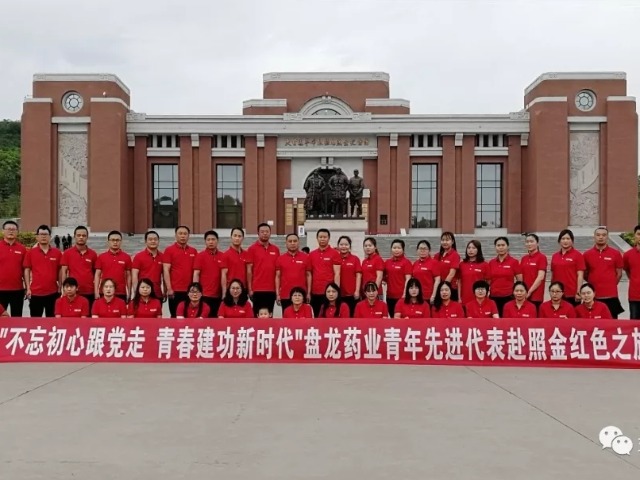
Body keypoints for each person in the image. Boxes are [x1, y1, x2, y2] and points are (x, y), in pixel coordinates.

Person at [583, 226, 624, 318]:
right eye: (598, 235)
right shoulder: (587, 254)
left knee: (612, 321)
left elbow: (619, 274)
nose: (601, 237)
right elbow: (585, 274)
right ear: (594, 237)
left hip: (611, 295)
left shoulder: (615, 253)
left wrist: (611, 283)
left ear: (607, 237)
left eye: (603, 235)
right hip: (594, 295)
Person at [24, 224, 62, 317]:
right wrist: (28, 288)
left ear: (50, 236)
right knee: (35, 321)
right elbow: (27, 270)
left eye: (46, 234)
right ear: (37, 237)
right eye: (41, 234)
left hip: (53, 292)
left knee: (52, 321)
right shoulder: (30, 253)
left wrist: (60, 286)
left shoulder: (57, 253)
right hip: (36, 293)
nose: (43, 236)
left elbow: (60, 270)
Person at [246, 223, 281, 316]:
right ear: (258, 233)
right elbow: (249, 271)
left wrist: (278, 291)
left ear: (270, 233)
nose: (265, 233)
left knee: (269, 315)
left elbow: (278, 272)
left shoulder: (275, 249)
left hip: (271, 289)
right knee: (257, 315)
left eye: (267, 231)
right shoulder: (252, 249)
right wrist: (250, 289)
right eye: (262, 232)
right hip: (257, 289)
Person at [60, 225, 98, 311]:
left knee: (88, 316)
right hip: (73, 292)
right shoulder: (67, 253)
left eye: (84, 235)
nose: (81, 237)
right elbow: (64, 272)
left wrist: (96, 291)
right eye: (79, 235)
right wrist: (64, 290)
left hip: (89, 291)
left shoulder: (93, 254)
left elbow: (95, 273)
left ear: (87, 237)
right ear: (74, 236)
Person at [163, 225, 198, 318]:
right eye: (180, 233)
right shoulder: (169, 250)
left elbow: (196, 272)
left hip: (189, 291)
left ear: (188, 236)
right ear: (176, 235)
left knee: (189, 315)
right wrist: (169, 288)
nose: (183, 236)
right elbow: (166, 270)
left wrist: (195, 289)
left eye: (185, 234)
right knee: (175, 315)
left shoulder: (193, 251)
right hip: (175, 290)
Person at [307, 228, 341, 316]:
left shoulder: (334, 253)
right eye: (320, 237)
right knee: (317, 316)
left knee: (329, 316)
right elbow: (309, 274)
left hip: (329, 292)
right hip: (315, 292)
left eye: (325, 237)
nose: (322, 239)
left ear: (329, 238)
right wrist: (308, 292)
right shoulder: (312, 254)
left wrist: (336, 291)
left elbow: (337, 273)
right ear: (317, 238)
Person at [193, 230, 224, 317]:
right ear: (205, 241)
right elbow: (196, 274)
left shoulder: (223, 256)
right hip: (204, 295)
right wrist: (196, 291)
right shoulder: (200, 256)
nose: (211, 242)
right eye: (208, 240)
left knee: (217, 319)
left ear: (217, 241)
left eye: (213, 239)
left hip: (218, 295)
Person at [487, 236, 522, 316]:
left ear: (507, 246)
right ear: (495, 247)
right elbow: (488, 280)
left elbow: (520, 280)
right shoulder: (491, 263)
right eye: (498, 245)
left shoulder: (514, 262)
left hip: (509, 296)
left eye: (503, 245)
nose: (501, 247)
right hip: (494, 297)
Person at [275, 233, 310, 312]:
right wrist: (277, 294)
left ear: (298, 242)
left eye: (295, 241)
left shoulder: (306, 257)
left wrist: (308, 293)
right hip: (285, 295)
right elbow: (277, 277)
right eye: (290, 241)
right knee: (287, 317)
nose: (292, 243)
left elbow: (308, 275)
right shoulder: (280, 259)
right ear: (286, 243)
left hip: (301, 295)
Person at [94, 230, 132, 303]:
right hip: (104, 291)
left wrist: (129, 292)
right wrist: (96, 291)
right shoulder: (102, 257)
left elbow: (128, 276)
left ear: (121, 241)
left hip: (121, 292)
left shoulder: (126, 257)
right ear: (108, 241)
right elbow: (97, 275)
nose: (115, 242)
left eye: (117, 240)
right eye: (113, 240)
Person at [550, 229, 585, 306]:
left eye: (568, 239)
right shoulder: (555, 256)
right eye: (563, 239)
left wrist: (578, 292)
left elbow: (580, 275)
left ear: (572, 241)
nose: (565, 241)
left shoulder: (578, 255)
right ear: (559, 241)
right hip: (558, 293)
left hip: (572, 293)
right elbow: (553, 274)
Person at [0, 220, 27, 317]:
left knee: (17, 318)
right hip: (1, 289)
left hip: (17, 290)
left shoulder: (22, 249)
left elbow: (25, 270)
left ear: (17, 232)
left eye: (13, 229)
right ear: (3, 231)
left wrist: (27, 287)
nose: (11, 231)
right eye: (8, 229)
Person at [132, 230, 164, 303]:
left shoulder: (162, 256)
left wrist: (165, 290)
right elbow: (134, 275)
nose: (153, 241)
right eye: (150, 239)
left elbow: (165, 275)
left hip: (157, 292)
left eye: (155, 239)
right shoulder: (139, 257)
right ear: (145, 241)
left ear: (158, 241)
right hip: (143, 292)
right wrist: (136, 291)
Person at [383, 239, 413, 317]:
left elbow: (408, 279)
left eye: (399, 248)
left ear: (403, 249)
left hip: (402, 296)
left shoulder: (406, 262)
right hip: (390, 296)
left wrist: (405, 293)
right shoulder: (387, 262)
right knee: (392, 317)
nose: (396, 250)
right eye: (394, 248)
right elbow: (384, 277)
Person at [519, 233, 547, 312]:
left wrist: (529, 292)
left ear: (537, 243)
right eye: (527, 242)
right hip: (524, 294)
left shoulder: (541, 257)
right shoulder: (524, 258)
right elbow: (521, 276)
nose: (529, 244)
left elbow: (540, 277)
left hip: (536, 295)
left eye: (531, 241)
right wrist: (522, 291)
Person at [336, 236, 361, 316]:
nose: (344, 246)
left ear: (350, 246)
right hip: (339, 294)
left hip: (352, 294)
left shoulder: (355, 259)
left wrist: (357, 291)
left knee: (352, 316)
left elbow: (358, 275)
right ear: (338, 246)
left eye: (346, 244)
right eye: (341, 244)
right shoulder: (335, 258)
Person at [459, 240, 488, 307]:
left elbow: (488, 282)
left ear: (478, 250)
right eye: (469, 248)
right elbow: (459, 282)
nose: (470, 250)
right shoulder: (462, 264)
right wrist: (459, 298)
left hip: (479, 299)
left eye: (474, 248)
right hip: (465, 299)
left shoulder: (484, 265)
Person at [433, 232, 461, 301]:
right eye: (443, 240)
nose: (445, 242)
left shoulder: (455, 255)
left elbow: (451, 274)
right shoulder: (437, 256)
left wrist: (443, 288)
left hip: (450, 289)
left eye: (447, 240)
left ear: (452, 242)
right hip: (438, 288)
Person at [412, 240, 440, 304]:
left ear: (429, 250)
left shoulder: (434, 263)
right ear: (417, 250)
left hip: (428, 297)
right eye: (420, 249)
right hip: (417, 296)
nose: (422, 251)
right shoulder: (415, 263)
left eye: (425, 249)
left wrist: (433, 295)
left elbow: (437, 280)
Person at [221, 227, 248, 295]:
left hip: (243, 289)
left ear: (243, 238)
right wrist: (224, 292)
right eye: (235, 236)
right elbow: (224, 274)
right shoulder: (226, 255)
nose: (237, 238)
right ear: (231, 237)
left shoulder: (246, 254)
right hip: (231, 289)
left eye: (239, 236)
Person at [623, 225, 640, 320]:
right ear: (634, 235)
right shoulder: (628, 255)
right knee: (634, 323)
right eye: (639, 234)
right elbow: (627, 270)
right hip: (635, 296)